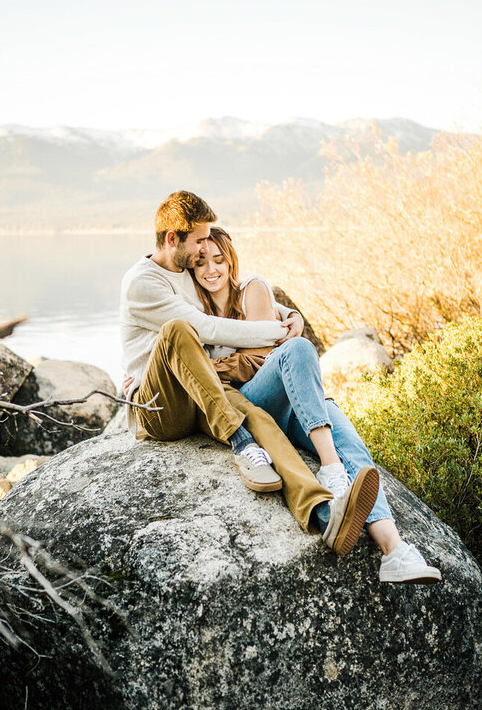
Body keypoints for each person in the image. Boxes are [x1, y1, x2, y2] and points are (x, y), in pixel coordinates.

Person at [120, 191, 378, 556]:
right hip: (161, 405)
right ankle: (240, 442)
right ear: (172, 239)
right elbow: (204, 327)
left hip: (204, 393)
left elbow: (236, 291)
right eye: (197, 242)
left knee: (262, 422)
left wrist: (289, 315)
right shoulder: (142, 283)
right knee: (178, 330)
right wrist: (276, 332)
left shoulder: (188, 272)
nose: (203, 251)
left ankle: (324, 513)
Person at [190, 225, 442, 584]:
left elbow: (262, 356)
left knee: (352, 445)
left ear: (231, 262)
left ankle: (394, 551)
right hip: (255, 405)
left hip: (297, 401)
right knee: (296, 349)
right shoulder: (194, 310)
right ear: (192, 268)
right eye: (201, 263)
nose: (211, 269)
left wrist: (214, 367)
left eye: (219, 260)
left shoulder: (253, 291)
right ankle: (332, 472)